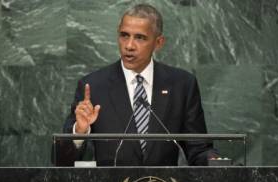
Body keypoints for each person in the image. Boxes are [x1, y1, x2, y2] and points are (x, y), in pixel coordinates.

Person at [55, 3, 216, 166]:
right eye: (124, 35)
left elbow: (199, 149)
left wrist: (218, 164)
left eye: (140, 37)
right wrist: (79, 132)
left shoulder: (182, 85)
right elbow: (61, 161)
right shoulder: (94, 86)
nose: (129, 46)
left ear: (158, 42)